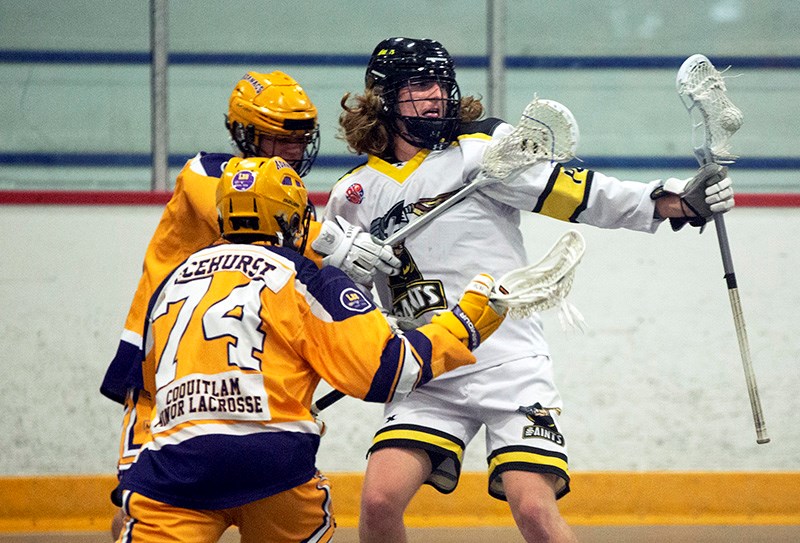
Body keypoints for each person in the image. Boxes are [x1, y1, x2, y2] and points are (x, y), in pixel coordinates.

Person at [325, 37, 735, 543]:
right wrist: (355, 277)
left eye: (441, 82)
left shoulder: (480, 150)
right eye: (419, 84)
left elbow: (576, 192)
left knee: (533, 509)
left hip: (508, 362)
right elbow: (337, 295)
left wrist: (669, 201)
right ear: (384, 97)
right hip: (428, 368)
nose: (435, 95)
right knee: (379, 500)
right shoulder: (352, 193)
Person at [112, 155, 506, 542]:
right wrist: (465, 325)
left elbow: (153, 386)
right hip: (271, 466)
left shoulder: (173, 280)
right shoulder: (302, 276)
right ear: (292, 219)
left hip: (171, 466)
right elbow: (387, 372)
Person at [101, 70, 399, 539]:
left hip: (235, 370)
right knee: (140, 495)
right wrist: (332, 242)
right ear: (243, 133)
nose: (295, 150)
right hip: (163, 367)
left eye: (301, 139)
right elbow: (233, 201)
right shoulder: (208, 172)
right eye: (279, 138)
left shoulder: (289, 202)